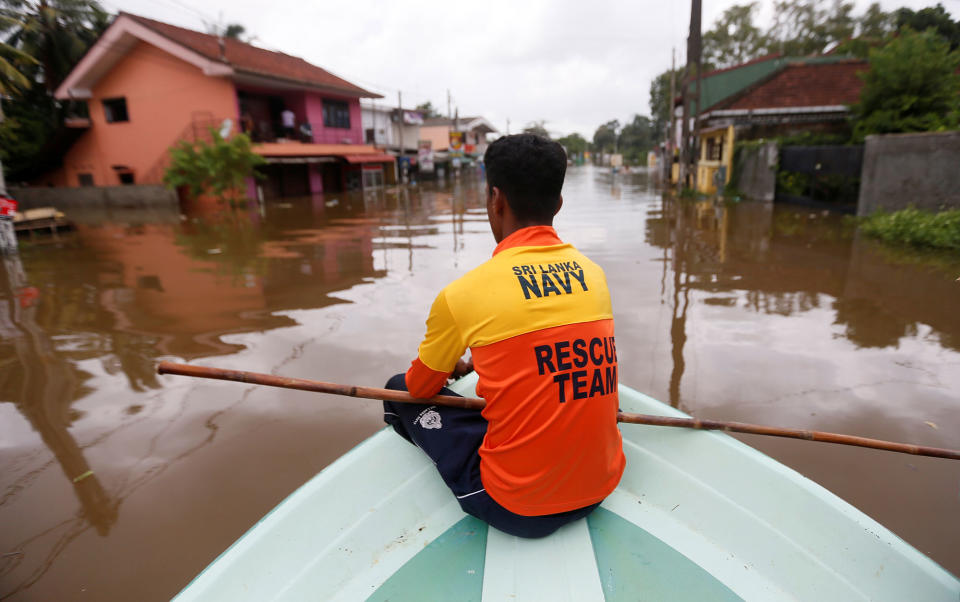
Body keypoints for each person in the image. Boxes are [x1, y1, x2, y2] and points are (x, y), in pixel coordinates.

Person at [383, 134, 625, 538]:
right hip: (602, 486)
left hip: (517, 508)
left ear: (495, 200)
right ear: (558, 204)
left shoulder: (463, 295)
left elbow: (420, 388)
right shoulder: (594, 276)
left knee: (396, 393)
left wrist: (451, 368)